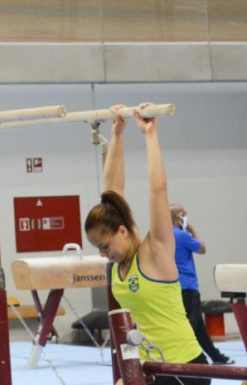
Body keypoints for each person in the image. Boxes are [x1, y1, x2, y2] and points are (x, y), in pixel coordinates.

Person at [85, 104, 210, 385]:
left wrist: (150, 135)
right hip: (149, 366)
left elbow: (157, 190)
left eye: (105, 246)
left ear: (122, 231)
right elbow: (111, 192)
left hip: (184, 369)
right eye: (98, 250)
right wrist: (118, 135)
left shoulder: (155, 252)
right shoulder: (119, 266)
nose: (104, 255)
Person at [171, 203, 234, 365]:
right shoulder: (182, 235)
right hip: (188, 288)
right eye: (184, 215)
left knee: (199, 328)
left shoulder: (165, 236)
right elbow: (202, 249)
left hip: (173, 288)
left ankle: (217, 357)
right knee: (190, 327)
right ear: (178, 218)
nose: (186, 218)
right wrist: (191, 229)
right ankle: (185, 359)